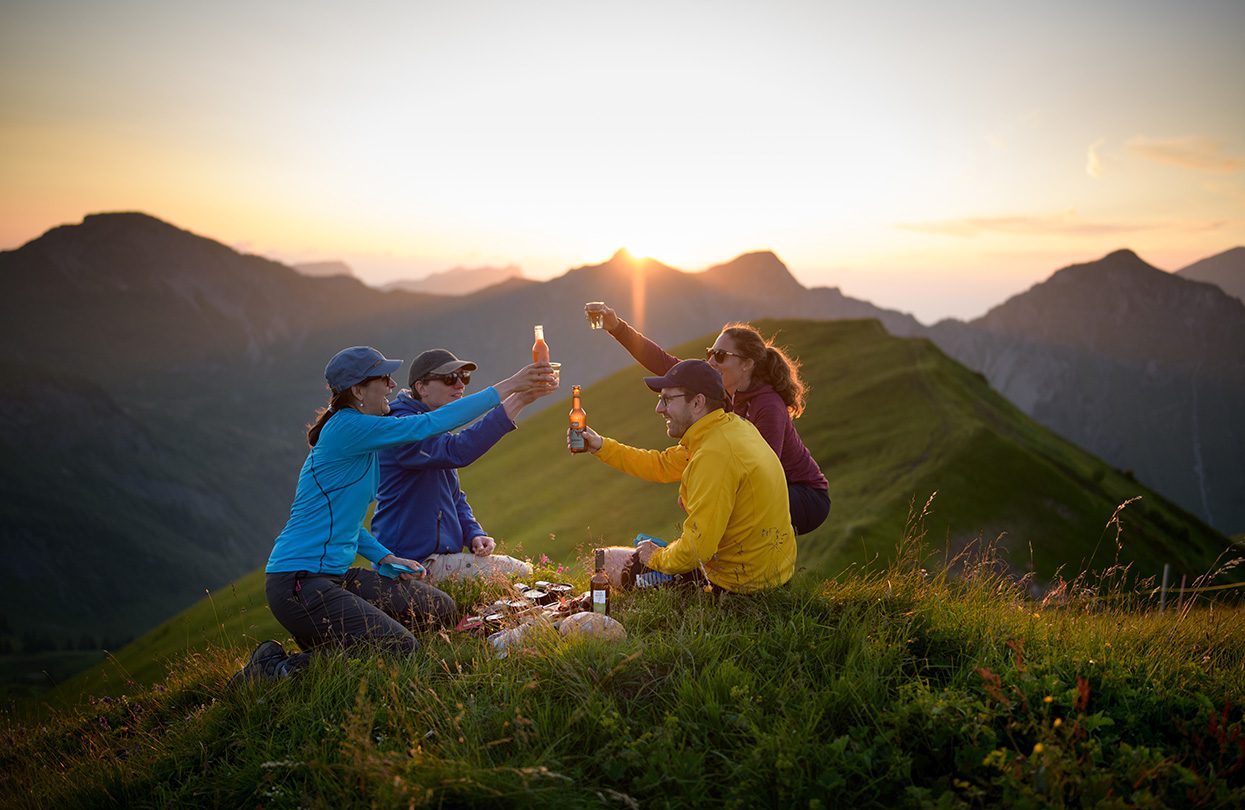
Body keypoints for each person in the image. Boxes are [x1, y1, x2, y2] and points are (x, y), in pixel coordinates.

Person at [230, 346, 554, 683]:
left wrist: (386, 558)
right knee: (402, 648)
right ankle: (273, 668)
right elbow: (431, 424)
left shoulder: (364, 434)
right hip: (298, 582)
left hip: (334, 576)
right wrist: (512, 385)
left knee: (439, 609)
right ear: (357, 390)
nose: (390, 384)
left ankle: (334, 635)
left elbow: (348, 525)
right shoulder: (348, 428)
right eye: (383, 378)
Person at [584, 302, 830, 536]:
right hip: (769, 485)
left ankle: (758, 571)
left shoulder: (768, 406)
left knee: (735, 501)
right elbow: (663, 363)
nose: (711, 361)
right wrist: (616, 327)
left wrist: (696, 489)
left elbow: (762, 474)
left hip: (803, 495)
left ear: (746, 364)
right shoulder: (718, 389)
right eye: (710, 353)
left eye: (720, 356)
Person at [571, 359, 796, 594]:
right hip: (770, 574)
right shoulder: (729, 428)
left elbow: (696, 551)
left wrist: (656, 557)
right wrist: (600, 446)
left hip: (737, 587)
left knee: (606, 562)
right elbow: (661, 464)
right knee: (628, 554)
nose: (659, 408)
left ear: (697, 402)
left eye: (667, 399)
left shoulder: (714, 455)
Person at [373, 348, 550, 581]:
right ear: (421, 387)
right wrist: (518, 397)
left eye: (463, 377)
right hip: (411, 563)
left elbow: (453, 497)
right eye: (449, 378)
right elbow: (457, 451)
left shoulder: (431, 426)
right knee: (521, 574)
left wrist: (473, 534)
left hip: (438, 558)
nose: (459, 385)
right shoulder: (402, 428)